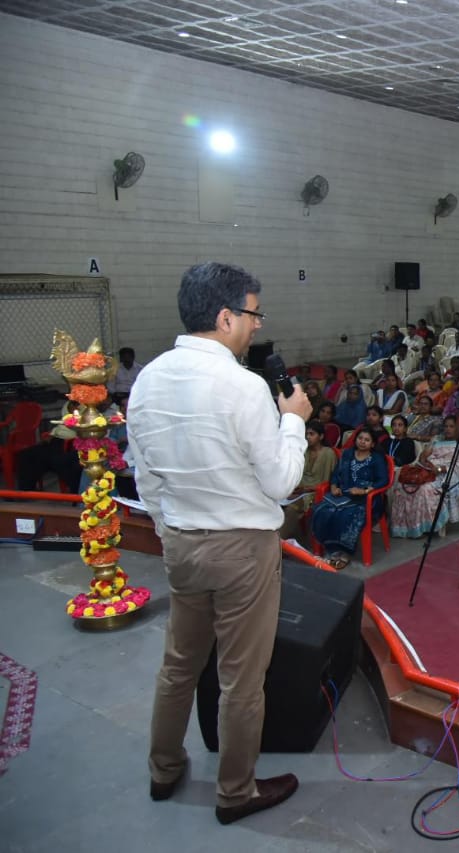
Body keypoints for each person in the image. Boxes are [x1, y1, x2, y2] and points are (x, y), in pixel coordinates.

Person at [129, 262, 310, 823]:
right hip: (241, 552)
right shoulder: (242, 385)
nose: (258, 326)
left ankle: (164, 769)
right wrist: (294, 422)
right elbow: (281, 483)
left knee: (179, 665)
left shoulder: (148, 379)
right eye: (254, 313)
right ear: (226, 315)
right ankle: (236, 792)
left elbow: (148, 481)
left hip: (181, 544)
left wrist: (171, 534)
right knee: (240, 679)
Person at [309, 427, 390, 569]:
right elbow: (336, 473)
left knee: (346, 515)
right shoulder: (347, 454)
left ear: (372, 444)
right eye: (360, 439)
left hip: (367, 499)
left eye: (367, 440)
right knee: (322, 510)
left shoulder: (376, 459)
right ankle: (330, 549)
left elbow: (383, 480)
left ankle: (344, 553)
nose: (362, 442)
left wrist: (364, 490)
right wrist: (334, 486)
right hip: (343, 494)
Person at [389, 415, 459, 539]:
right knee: (403, 485)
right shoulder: (436, 440)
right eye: (445, 426)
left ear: (458, 428)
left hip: (446, 475)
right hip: (427, 471)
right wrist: (425, 457)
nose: (448, 429)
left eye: (451, 426)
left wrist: (440, 469)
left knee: (424, 489)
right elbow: (422, 459)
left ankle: (424, 527)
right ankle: (406, 526)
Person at [279, 421, 337, 542]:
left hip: (316, 493)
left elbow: (329, 480)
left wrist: (307, 489)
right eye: (306, 434)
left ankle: (280, 542)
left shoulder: (328, 453)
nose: (308, 437)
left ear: (321, 436)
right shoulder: (303, 451)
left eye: (312, 434)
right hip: (298, 489)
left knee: (290, 507)